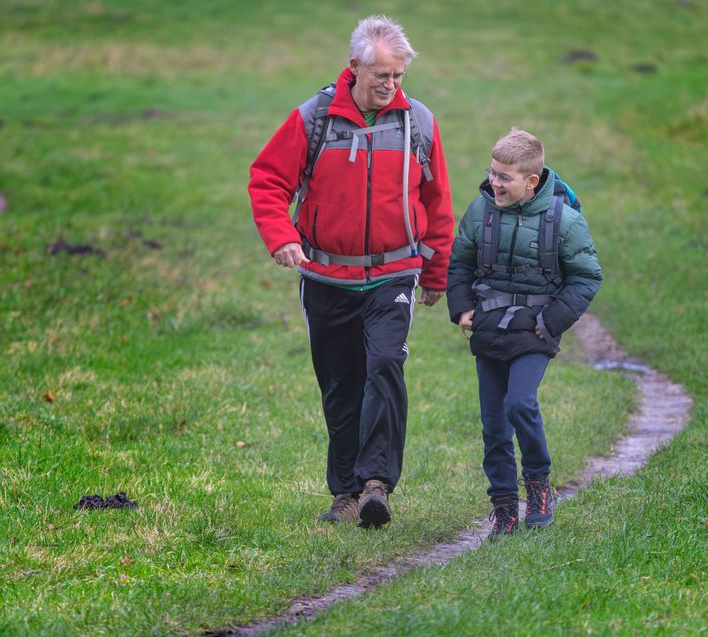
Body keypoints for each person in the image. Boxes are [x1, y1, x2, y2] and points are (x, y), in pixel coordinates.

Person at [249, 15, 453, 528]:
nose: (390, 86)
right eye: (382, 75)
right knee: (341, 384)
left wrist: (436, 275)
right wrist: (282, 238)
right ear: (354, 67)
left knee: (385, 366)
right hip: (325, 277)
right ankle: (344, 493)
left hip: (394, 274)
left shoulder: (419, 124)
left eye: (399, 76)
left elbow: (439, 202)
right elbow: (267, 179)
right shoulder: (313, 119)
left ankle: (377, 485)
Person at [446, 128, 601, 539]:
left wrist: (549, 322)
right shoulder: (480, 212)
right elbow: (460, 261)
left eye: (505, 177)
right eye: (492, 173)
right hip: (488, 330)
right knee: (494, 426)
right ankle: (503, 507)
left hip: (534, 332)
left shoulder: (565, 222)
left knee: (519, 403)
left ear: (532, 181)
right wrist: (462, 307)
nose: (494, 182)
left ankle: (538, 485)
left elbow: (586, 278)